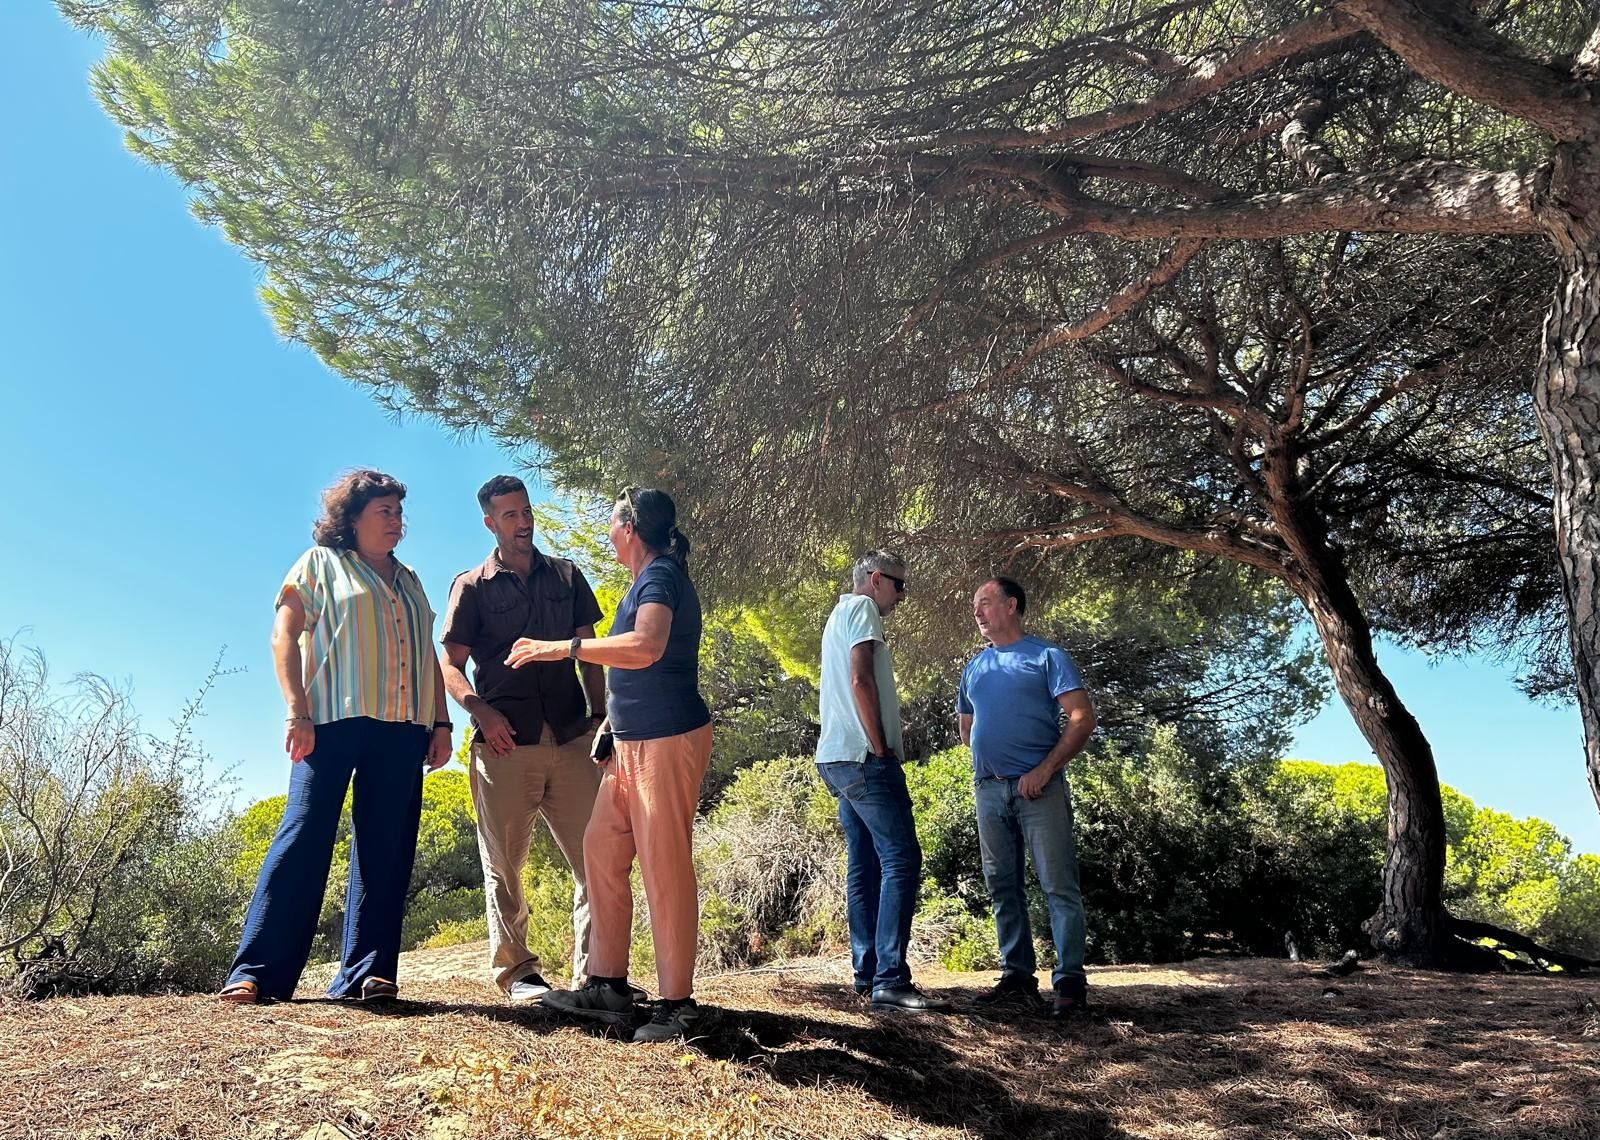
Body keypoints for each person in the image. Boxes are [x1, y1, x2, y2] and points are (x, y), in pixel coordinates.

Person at [220, 469, 453, 1005]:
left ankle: (368, 973)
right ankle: (257, 972)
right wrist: (295, 710)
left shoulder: (411, 580)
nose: (397, 521)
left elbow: (427, 658)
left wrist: (440, 723)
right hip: (329, 723)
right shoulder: (319, 565)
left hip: (403, 728)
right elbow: (284, 636)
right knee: (303, 836)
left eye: (399, 511)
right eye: (385, 512)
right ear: (352, 519)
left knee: (386, 848)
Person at [504, 487, 712, 1043]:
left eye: (612, 525)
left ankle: (678, 1005)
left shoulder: (662, 576)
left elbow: (646, 647)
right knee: (601, 846)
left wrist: (562, 649)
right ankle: (607, 985)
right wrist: (611, 726)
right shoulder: (647, 578)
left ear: (630, 528)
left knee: (663, 864)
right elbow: (634, 664)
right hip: (629, 743)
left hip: (666, 739)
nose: (607, 536)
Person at [439, 475, 607, 1002]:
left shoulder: (567, 575)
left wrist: (600, 715)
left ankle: (596, 974)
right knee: (505, 867)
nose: (523, 522)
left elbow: (590, 648)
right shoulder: (471, 586)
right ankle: (519, 975)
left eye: (526, 511)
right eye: (510, 515)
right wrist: (479, 711)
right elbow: (449, 665)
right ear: (490, 522)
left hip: (574, 737)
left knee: (597, 860)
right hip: (505, 745)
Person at [816, 551, 948, 1013]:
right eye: (899, 585)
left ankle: (868, 973)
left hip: (836, 758)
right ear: (875, 580)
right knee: (901, 858)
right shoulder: (861, 608)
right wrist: (880, 746)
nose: (902, 596)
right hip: (862, 758)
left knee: (866, 863)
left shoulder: (837, 615)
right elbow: (860, 681)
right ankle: (890, 978)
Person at [958, 577, 1096, 1017]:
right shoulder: (974, 667)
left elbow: (1081, 716)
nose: (977, 612)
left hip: (1039, 789)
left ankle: (1070, 984)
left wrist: (1044, 768)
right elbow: (967, 727)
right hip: (989, 790)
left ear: (1011, 605)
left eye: (985, 603)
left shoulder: (1047, 656)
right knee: (1002, 887)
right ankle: (1017, 977)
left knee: (1058, 886)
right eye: (974, 606)